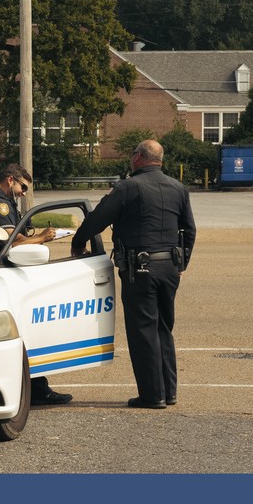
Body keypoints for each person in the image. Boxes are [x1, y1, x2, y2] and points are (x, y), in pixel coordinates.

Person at [70, 139, 196, 410]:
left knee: (143, 331)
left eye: (132, 154)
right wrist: (181, 263)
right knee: (163, 328)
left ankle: (152, 396)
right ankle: (168, 391)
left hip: (141, 269)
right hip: (170, 268)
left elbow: (97, 219)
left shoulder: (128, 187)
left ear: (138, 157)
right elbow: (189, 229)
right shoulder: (178, 187)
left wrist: (78, 242)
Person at [0, 163, 72, 406]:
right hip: (6, 273)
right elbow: (10, 244)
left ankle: (35, 386)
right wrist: (43, 238)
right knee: (27, 331)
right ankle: (36, 389)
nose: (24, 192)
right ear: (9, 180)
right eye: (22, 186)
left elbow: (14, 237)